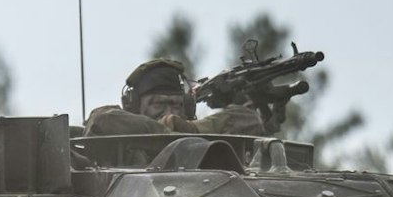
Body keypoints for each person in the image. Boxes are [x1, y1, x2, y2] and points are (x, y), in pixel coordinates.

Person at [84, 58, 267, 137]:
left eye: (176, 105)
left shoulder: (194, 136)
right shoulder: (121, 130)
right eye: (158, 103)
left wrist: (192, 129)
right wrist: (162, 130)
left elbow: (249, 119)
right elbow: (102, 120)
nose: (170, 112)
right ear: (134, 105)